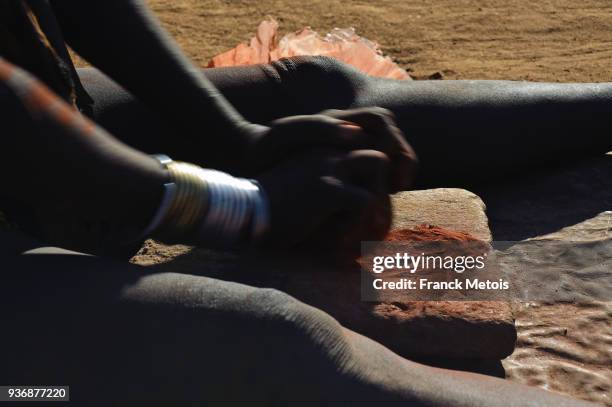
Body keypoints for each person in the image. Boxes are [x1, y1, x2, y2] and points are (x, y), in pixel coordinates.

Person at [0, 1, 607, 405]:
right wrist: (241, 209)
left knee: (318, 91)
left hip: (32, 127)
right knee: (273, 347)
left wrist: (237, 137)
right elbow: (31, 142)